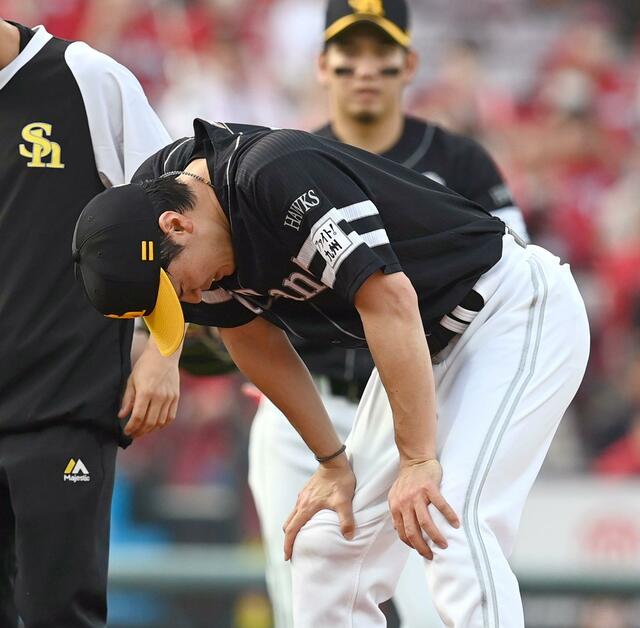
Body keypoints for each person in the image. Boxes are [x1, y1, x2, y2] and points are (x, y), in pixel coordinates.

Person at [73, 115, 589, 627]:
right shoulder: (157, 205)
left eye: (174, 289)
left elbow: (389, 300)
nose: (186, 301)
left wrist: (416, 460)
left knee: (450, 520)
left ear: (177, 225)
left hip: (508, 308)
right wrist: (333, 462)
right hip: (424, 344)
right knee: (327, 543)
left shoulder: (274, 177)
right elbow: (250, 338)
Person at [247, 1, 529, 625]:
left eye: (382, 57)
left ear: (410, 64)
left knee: (438, 580)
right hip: (312, 405)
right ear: (323, 66)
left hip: (422, 401)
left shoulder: (459, 162)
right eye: (350, 60)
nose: (365, 72)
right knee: (306, 585)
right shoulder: (285, 161)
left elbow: (515, 278)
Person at [0, 18, 177, 628]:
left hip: (63, 411)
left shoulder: (86, 79)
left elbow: (176, 218)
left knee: (58, 615)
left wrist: (164, 349)